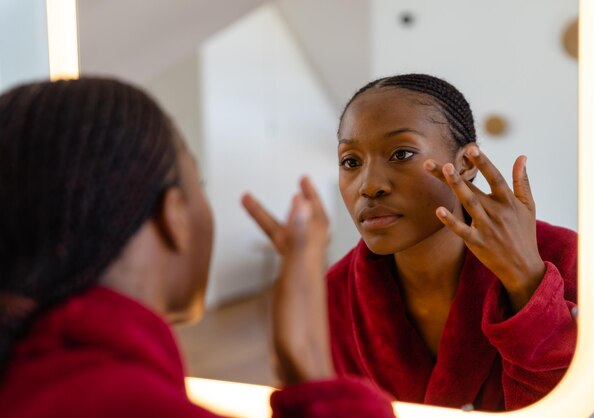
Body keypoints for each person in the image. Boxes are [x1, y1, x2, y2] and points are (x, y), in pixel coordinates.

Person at [0, 78, 395, 418]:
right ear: (174, 215)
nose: (370, 185)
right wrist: (313, 369)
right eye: (199, 186)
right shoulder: (129, 405)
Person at [243, 74, 577, 412]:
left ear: (464, 164)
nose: (369, 185)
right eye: (350, 161)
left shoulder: (568, 260)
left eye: (401, 153)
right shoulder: (335, 296)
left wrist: (528, 286)